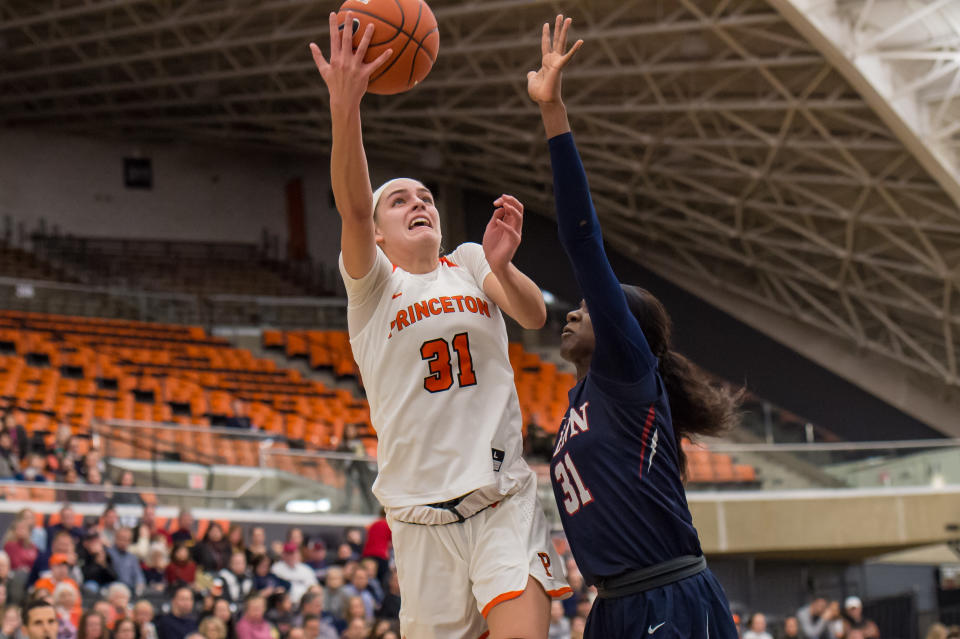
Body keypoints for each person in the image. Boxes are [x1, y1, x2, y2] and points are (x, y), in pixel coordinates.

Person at [308, 13, 571, 638]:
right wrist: (346, 105)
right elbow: (350, 202)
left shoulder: (472, 262)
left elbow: (534, 315)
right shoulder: (373, 290)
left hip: (502, 500)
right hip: (420, 524)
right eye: (399, 200)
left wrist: (505, 268)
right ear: (377, 233)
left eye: (425, 196)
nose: (418, 203)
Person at [528, 15, 741, 639]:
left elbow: (581, 238)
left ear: (628, 335)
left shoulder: (627, 374)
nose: (573, 310)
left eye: (590, 308)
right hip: (615, 606)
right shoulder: (581, 401)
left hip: (667, 595)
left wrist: (553, 115)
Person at [106, 529, 144, 595]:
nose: (124, 542)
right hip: (111, 587)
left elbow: (138, 576)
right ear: (115, 538)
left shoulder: (132, 557)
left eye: (127, 540)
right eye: (121, 539)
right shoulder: (107, 553)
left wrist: (139, 585)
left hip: (129, 588)